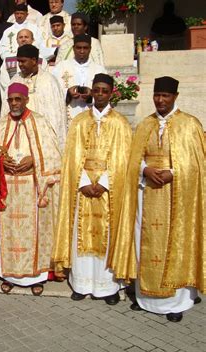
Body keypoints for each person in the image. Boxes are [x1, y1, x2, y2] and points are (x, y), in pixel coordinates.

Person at [109, 76, 205, 322]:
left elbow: (198, 165)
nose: (160, 100)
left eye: (165, 96)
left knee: (175, 243)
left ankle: (177, 301)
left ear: (175, 97)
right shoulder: (144, 125)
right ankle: (145, 298)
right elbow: (133, 159)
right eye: (157, 95)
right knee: (145, 242)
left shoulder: (190, 124)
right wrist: (145, 170)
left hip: (176, 197)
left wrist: (174, 172)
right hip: (146, 194)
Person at [52, 74, 132, 305]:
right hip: (83, 189)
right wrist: (85, 182)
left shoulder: (120, 123)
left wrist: (104, 183)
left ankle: (108, 287)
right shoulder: (79, 122)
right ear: (91, 92)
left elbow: (123, 160)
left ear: (111, 93)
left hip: (108, 191)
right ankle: (82, 284)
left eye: (104, 91)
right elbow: (72, 158)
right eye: (96, 90)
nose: (99, 94)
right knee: (82, 234)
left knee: (107, 237)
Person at [0, 83, 61, 296]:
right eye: (10, 100)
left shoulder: (40, 122)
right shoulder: (1, 124)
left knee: (34, 232)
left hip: (32, 187)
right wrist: (1, 162)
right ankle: (8, 276)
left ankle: (36, 277)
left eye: (18, 99)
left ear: (26, 100)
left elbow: (53, 154)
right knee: (10, 233)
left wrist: (35, 160)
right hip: (8, 188)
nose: (14, 103)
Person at [4, 44, 67, 150]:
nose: (20, 65)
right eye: (18, 61)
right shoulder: (15, 80)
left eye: (23, 61)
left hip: (43, 142)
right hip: (19, 141)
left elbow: (56, 119)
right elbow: (6, 113)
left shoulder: (49, 81)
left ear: (33, 60)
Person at [52, 34, 106, 126]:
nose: (82, 51)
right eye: (78, 48)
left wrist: (91, 96)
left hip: (92, 119)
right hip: (67, 119)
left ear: (90, 49)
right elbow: (53, 92)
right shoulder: (61, 67)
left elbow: (106, 95)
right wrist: (68, 93)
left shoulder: (99, 70)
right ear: (73, 48)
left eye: (85, 48)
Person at [0, 29, 48, 101]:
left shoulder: (41, 60)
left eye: (26, 37)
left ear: (33, 40)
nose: (23, 39)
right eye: (21, 37)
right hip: (15, 99)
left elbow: (44, 80)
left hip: (36, 97)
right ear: (16, 40)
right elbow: (4, 82)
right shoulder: (8, 60)